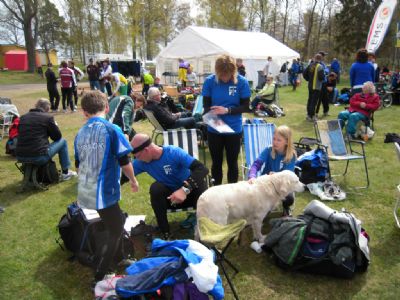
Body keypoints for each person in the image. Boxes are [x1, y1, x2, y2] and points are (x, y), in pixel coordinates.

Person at [74, 90, 139, 284]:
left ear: (84, 112)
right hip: (102, 193)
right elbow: (124, 160)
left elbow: (78, 164)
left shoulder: (80, 133)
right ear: (107, 107)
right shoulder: (112, 129)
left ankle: (120, 258)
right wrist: (134, 180)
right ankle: (100, 274)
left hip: (85, 191)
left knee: (115, 222)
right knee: (116, 229)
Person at [131, 133, 208, 239]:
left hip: (191, 195)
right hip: (171, 200)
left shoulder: (173, 152)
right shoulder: (142, 162)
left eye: (138, 156)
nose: (137, 159)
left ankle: (206, 228)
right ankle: (165, 233)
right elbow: (123, 175)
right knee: (156, 188)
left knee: (201, 185)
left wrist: (184, 190)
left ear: (146, 150)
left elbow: (201, 169)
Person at [202, 54, 251, 185]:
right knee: (216, 163)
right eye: (221, 75)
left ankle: (232, 193)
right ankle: (216, 193)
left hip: (234, 129)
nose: (224, 78)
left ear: (233, 71)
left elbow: (246, 107)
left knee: (232, 163)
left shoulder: (242, 82)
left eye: (227, 75)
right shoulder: (209, 81)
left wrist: (227, 110)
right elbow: (206, 108)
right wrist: (215, 118)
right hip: (214, 129)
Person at [16, 98, 77, 180]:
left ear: (36, 106)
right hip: (38, 156)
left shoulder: (23, 117)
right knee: (63, 141)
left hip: (20, 156)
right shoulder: (47, 118)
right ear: (47, 109)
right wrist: (54, 126)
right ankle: (65, 173)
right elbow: (57, 137)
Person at [247, 125, 296, 216]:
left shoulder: (291, 155)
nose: (275, 142)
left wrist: (277, 176)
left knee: (289, 199)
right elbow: (256, 164)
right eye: (274, 139)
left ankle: (285, 209)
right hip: (265, 183)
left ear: (286, 141)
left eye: (279, 140)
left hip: (281, 185)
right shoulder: (269, 149)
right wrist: (252, 176)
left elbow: (288, 176)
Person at [303, 53, 325, 122]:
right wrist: (324, 77)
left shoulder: (310, 65)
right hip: (317, 86)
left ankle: (308, 115)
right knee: (314, 102)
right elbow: (321, 77)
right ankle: (312, 116)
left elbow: (304, 74)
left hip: (310, 86)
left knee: (310, 100)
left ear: (315, 58)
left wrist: (308, 79)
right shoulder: (320, 67)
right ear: (320, 59)